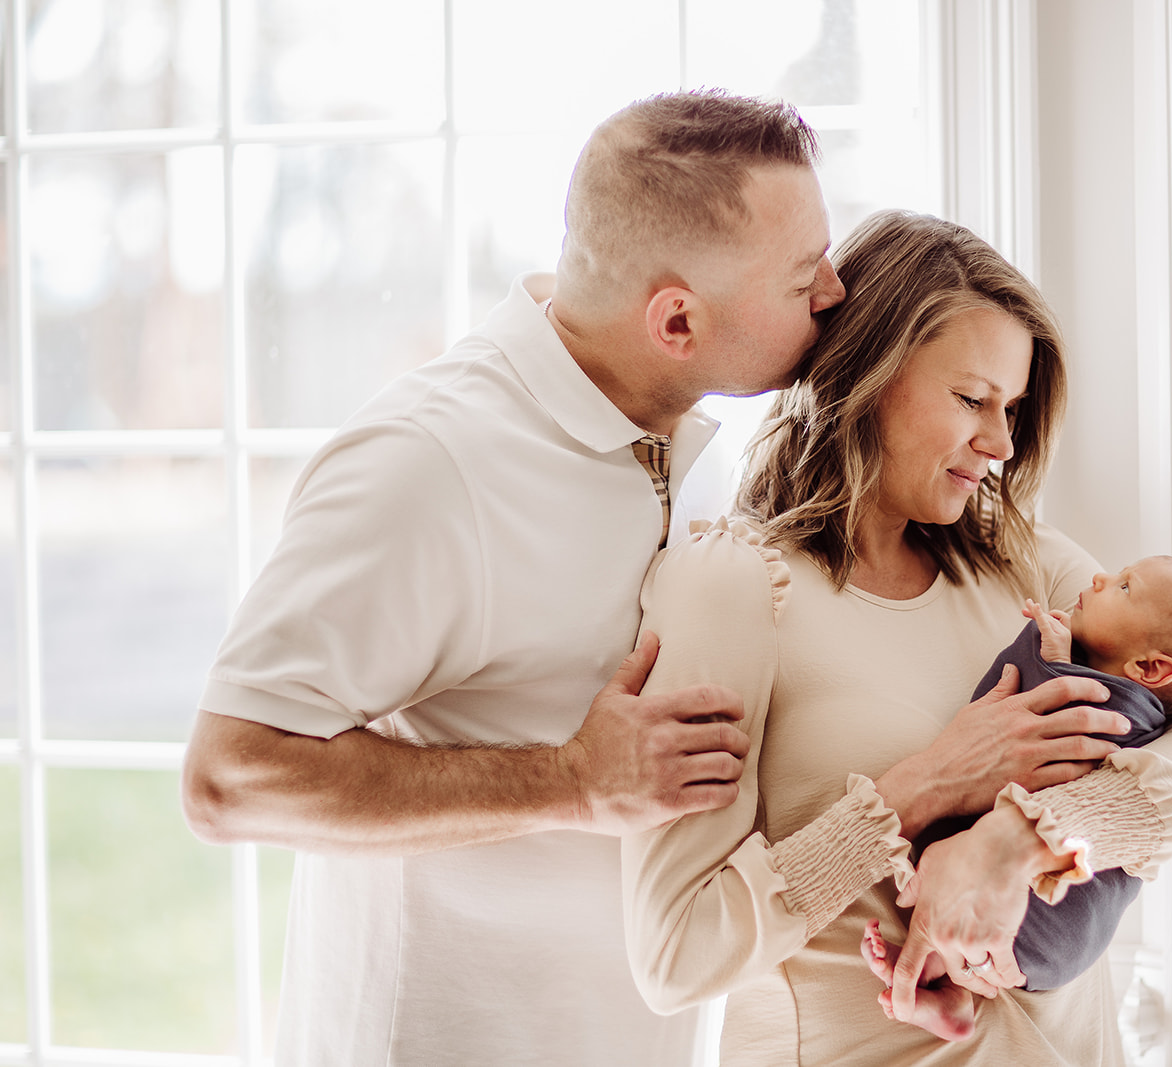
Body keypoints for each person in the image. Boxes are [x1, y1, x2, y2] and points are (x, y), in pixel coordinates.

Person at [178, 89, 856, 1066]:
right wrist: (572, 780)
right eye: (804, 276)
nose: (835, 291)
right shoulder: (425, 464)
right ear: (675, 319)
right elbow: (230, 776)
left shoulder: (686, 433)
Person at [621, 208, 1172, 1065]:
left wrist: (1016, 838)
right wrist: (918, 789)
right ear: (868, 374)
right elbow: (676, 955)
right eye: (972, 399)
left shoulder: (1026, 568)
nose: (1001, 443)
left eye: (1013, 408)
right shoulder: (736, 585)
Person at [862, 558, 1172, 1041]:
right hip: (1065, 944)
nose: (1098, 578)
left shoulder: (1124, 713)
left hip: (1054, 917)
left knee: (954, 894)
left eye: (1124, 585)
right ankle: (950, 995)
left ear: (1150, 667)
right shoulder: (1120, 689)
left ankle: (938, 981)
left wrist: (1049, 655)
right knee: (954, 913)